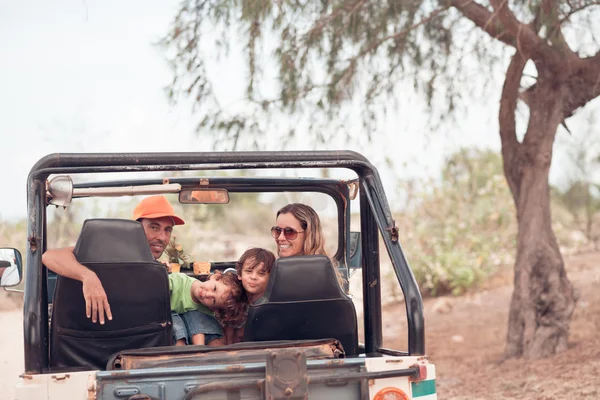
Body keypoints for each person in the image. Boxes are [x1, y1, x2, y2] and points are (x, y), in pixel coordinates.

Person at [271, 203, 344, 285]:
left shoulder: (316, 277)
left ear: (308, 235)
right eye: (277, 230)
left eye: (289, 231)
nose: (280, 238)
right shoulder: (273, 269)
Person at [169, 270, 245, 346]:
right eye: (214, 288)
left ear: (213, 308)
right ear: (215, 277)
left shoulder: (206, 310)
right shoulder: (177, 281)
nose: (207, 294)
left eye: (213, 300)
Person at [221, 248, 276, 344]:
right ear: (239, 274)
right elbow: (229, 340)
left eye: (261, 273)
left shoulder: (273, 303)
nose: (253, 277)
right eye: (249, 271)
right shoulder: (235, 303)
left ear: (271, 277)